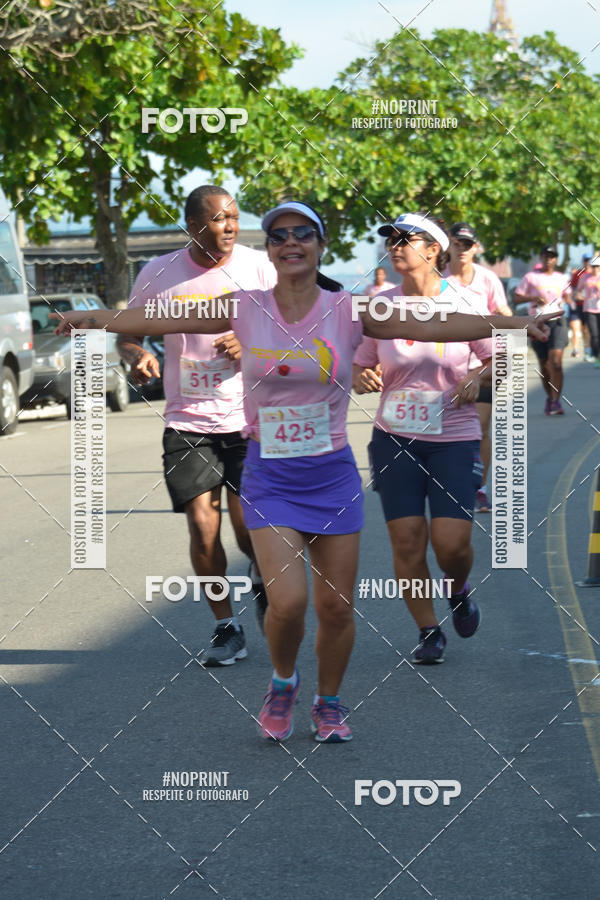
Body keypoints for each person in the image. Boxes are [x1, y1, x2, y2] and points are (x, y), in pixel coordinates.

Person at [52, 202, 558, 743]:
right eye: (278, 236)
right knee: (288, 603)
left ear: (320, 246)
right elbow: (162, 318)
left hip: (333, 476)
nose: (290, 242)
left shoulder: (348, 309)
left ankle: (330, 702)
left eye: (302, 234)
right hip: (270, 474)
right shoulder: (245, 307)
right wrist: (93, 321)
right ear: (270, 250)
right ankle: (284, 682)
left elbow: (436, 321)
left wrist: (512, 324)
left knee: (337, 609)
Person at [117, 185, 275, 666]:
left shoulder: (257, 267)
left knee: (249, 527)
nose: (228, 226)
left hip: (250, 416)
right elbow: (127, 333)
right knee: (203, 528)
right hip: (188, 418)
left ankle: (263, 573)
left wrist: (251, 345)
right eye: (216, 219)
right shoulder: (159, 273)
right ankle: (226, 627)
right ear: (191, 226)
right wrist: (138, 354)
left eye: (233, 217)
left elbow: (290, 327)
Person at [354, 213, 492, 664]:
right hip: (393, 437)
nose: (394, 247)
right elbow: (360, 365)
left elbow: (502, 359)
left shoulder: (466, 300)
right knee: (408, 541)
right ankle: (428, 630)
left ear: (433, 249)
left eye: (404, 239)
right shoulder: (380, 303)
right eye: (389, 240)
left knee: (451, 545)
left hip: (453, 437)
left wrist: (478, 375)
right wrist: (364, 375)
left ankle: (457, 589)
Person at [445, 222, 512, 514]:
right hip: (447, 363)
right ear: (448, 246)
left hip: (484, 363)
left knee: (480, 427)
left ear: (475, 248)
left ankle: (480, 487)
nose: (461, 249)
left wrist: (511, 324)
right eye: (456, 243)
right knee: (450, 428)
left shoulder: (487, 280)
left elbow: (503, 311)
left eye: (467, 244)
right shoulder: (438, 279)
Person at [514, 246, 571, 415]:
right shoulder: (530, 277)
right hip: (538, 323)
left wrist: (569, 299)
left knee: (556, 363)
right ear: (541, 258)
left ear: (556, 260)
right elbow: (517, 297)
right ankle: (550, 398)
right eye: (546, 256)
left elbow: (568, 295)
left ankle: (555, 401)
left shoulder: (562, 278)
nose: (549, 259)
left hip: (558, 322)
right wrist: (532, 298)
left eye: (552, 257)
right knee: (545, 366)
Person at [579, 255, 600, 366]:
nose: (595, 268)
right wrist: (579, 296)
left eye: (597, 266)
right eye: (593, 266)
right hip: (589, 309)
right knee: (594, 334)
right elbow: (578, 291)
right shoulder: (585, 277)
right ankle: (597, 357)